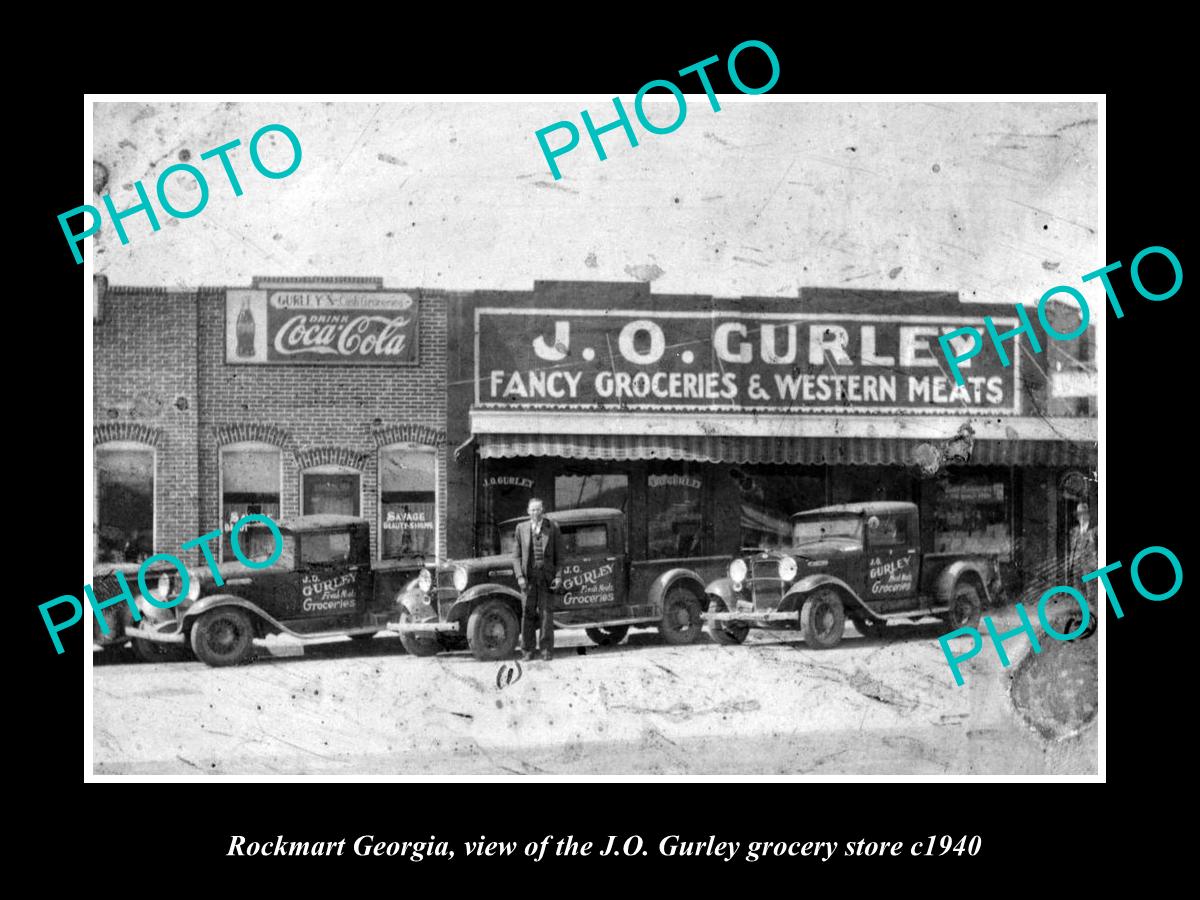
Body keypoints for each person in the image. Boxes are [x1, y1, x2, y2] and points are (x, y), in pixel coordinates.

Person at [512, 498, 563, 661]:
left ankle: (546, 650)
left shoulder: (553, 527)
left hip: (547, 579)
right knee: (527, 614)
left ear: (543, 510)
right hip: (528, 580)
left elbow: (560, 557)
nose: (535, 513)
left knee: (546, 615)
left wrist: (558, 576)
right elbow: (516, 556)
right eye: (532, 510)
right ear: (528, 511)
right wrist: (520, 576)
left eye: (538, 509)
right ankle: (527, 650)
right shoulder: (521, 528)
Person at [1064, 499, 1098, 634]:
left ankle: (1095, 619)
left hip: (1090, 568)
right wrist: (1070, 564)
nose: (1081, 516)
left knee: (1091, 595)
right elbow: (1072, 549)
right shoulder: (1075, 531)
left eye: (1083, 513)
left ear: (1088, 514)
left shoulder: (1095, 530)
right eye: (1079, 514)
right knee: (1079, 595)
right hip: (1077, 567)